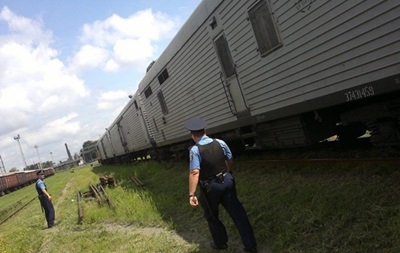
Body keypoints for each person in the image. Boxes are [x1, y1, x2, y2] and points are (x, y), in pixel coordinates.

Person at [184, 117, 257, 252]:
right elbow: (229, 159)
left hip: (210, 188)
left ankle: (220, 243)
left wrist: (191, 194)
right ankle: (250, 245)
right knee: (238, 213)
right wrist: (228, 173)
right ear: (205, 131)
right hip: (227, 181)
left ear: (193, 135)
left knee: (211, 215)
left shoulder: (195, 150)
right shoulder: (220, 142)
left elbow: (195, 173)